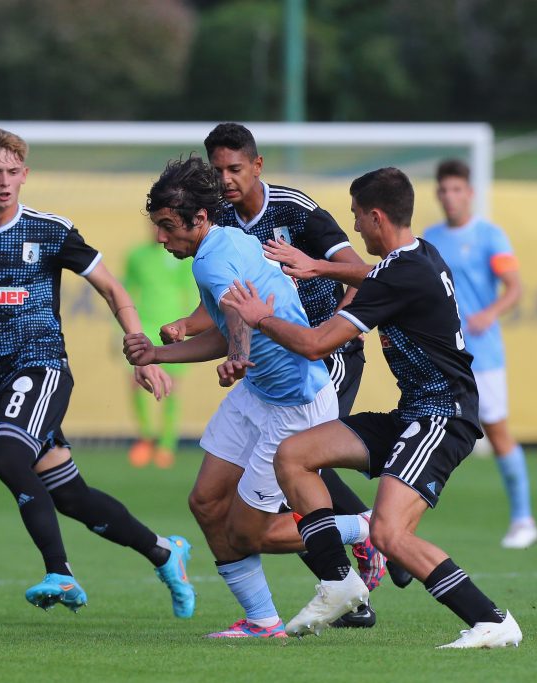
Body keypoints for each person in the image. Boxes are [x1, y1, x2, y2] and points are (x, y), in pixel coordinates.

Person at [0, 126, 195, 618]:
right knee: (71, 495)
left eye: (13, 172)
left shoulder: (49, 230)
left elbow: (115, 292)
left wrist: (142, 356)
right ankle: (164, 551)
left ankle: (62, 573)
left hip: (42, 366)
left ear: (25, 175)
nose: (4, 181)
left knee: (8, 457)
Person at [221, 167, 523, 648]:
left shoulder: (404, 271)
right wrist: (320, 267)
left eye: (358, 218)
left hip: (443, 416)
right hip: (414, 413)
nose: (355, 228)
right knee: (293, 455)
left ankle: (492, 620)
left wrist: (262, 318)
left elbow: (318, 344)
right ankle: (339, 582)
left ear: (377, 216)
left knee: (388, 533)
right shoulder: (418, 255)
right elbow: (375, 274)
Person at [160, 122, 401, 626]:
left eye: (235, 169)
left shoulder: (292, 208)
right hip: (261, 382)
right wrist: (181, 336)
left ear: (257, 165)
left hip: (320, 353)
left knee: (288, 488)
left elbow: (367, 270)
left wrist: (323, 296)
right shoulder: (223, 228)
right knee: (211, 501)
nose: (227, 179)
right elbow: (233, 308)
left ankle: (364, 538)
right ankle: (276, 614)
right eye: (218, 170)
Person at [123, 155, 369, 638]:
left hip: (294, 403)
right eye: (157, 226)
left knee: (250, 532)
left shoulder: (214, 258)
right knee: (206, 503)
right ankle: (262, 620)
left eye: (168, 226)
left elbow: (237, 317)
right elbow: (226, 323)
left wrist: (237, 355)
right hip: (259, 395)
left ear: (199, 219)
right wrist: (155, 354)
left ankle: (367, 528)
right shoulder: (230, 240)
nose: (160, 237)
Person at [423, 159, 537, 549]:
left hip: (483, 355)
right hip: (443, 356)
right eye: (444, 190)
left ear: (469, 193)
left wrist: (489, 313)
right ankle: (400, 521)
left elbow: (515, 287)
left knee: (498, 431)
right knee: (427, 430)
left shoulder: (490, 235)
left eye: (457, 190)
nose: (450, 197)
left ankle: (523, 518)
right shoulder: (430, 237)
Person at [122, 227, 199, 468]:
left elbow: (191, 291)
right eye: (155, 224)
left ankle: (167, 444)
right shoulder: (136, 256)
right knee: (136, 383)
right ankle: (145, 437)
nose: (158, 231)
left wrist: (191, 326)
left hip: (171, 325)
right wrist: (122, 330)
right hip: (143, 326)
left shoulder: (181, 256)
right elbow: (125, 293)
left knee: (171, 388)